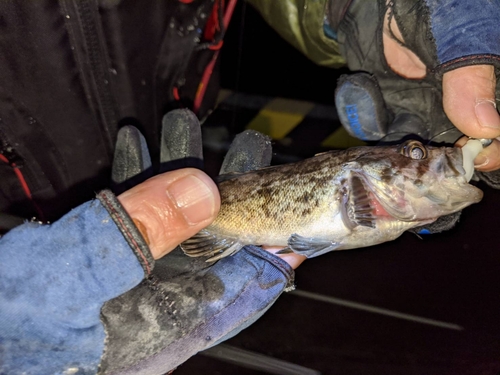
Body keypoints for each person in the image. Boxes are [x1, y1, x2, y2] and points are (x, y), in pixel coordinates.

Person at [1, 0, 499, 374]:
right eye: (413, 153)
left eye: (418, 154)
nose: (424, 157)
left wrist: (362, 10)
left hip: (160, 151)